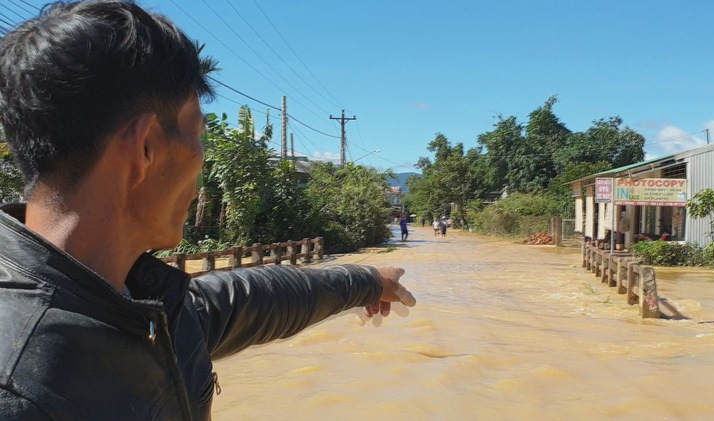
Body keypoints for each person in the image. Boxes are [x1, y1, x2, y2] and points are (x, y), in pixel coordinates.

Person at [0, 2, 416, 419]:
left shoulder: (132, 299)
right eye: (199, 135)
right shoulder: (22, 389)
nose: (200, 175)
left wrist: (367, 280)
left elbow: (248, 300)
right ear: (144, 148)